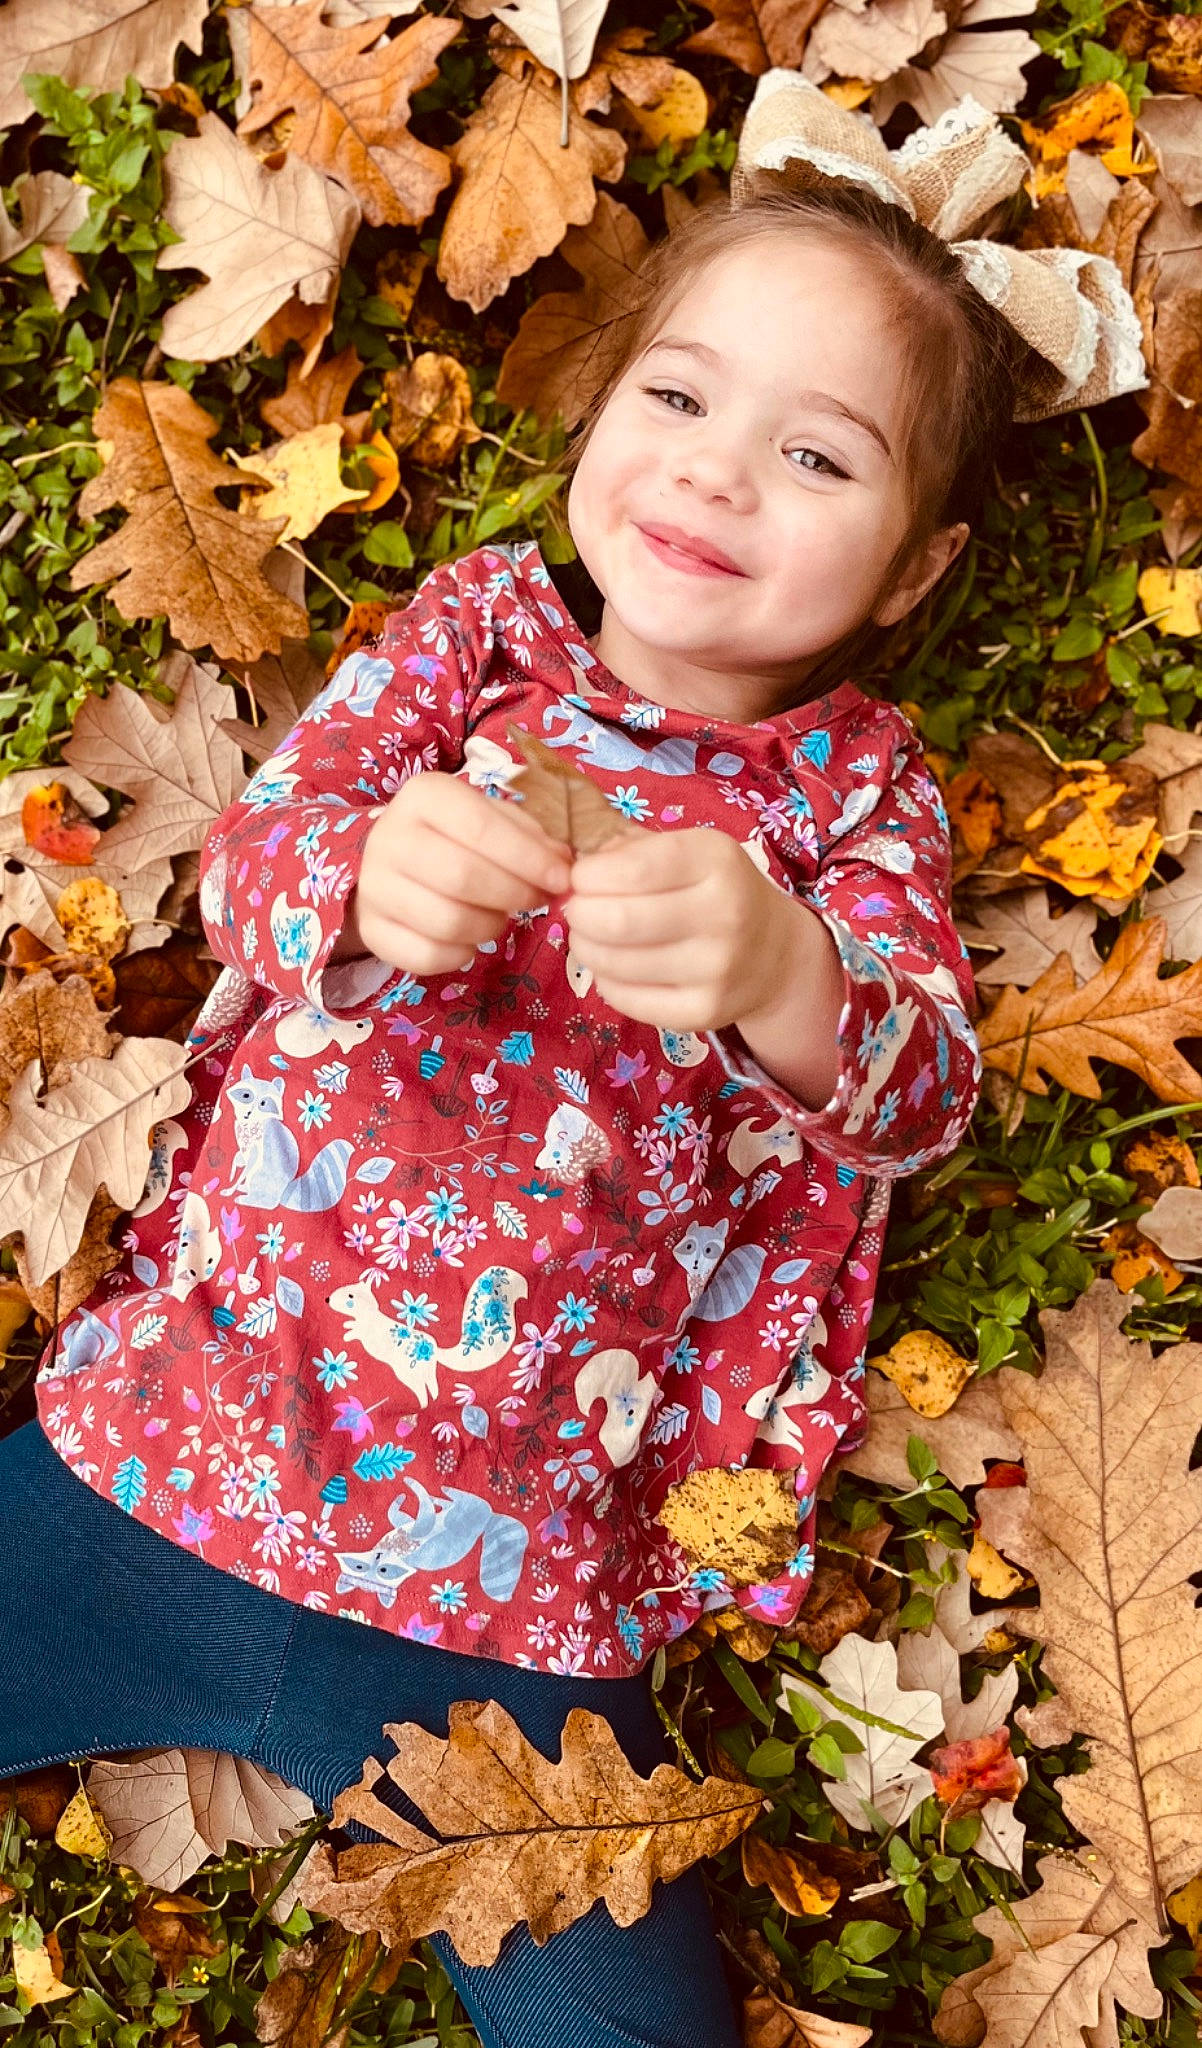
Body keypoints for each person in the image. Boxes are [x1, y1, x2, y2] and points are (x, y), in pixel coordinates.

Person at [0, 73, 1146, 2048]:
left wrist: (784, 969)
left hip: (511, 1621)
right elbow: (263, 861)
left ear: (909, 573)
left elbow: (917, 1092)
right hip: (158, 1472)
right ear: (598, 420)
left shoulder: (851, 804)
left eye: (815, 454)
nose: (716, 476)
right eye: (679, 401)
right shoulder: (472, 637)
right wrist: (367, 871)